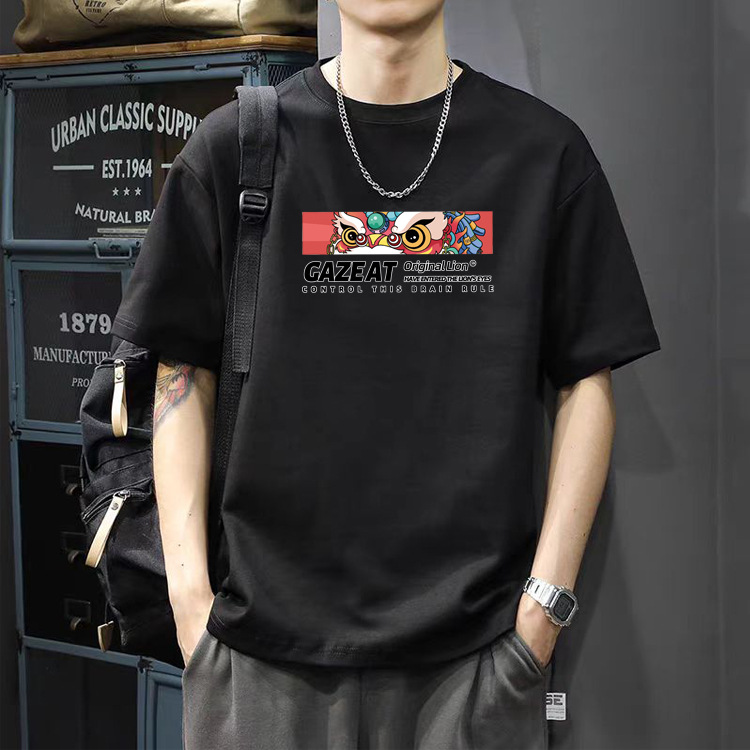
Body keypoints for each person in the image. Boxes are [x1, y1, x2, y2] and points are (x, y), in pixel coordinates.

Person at [111, 1, 661, 747]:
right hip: (259, 664)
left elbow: (587, 382)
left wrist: (544, 610)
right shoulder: (232, 151)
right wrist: (189, 602)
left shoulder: (541, 154)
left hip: (474, 665)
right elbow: (181, 370)